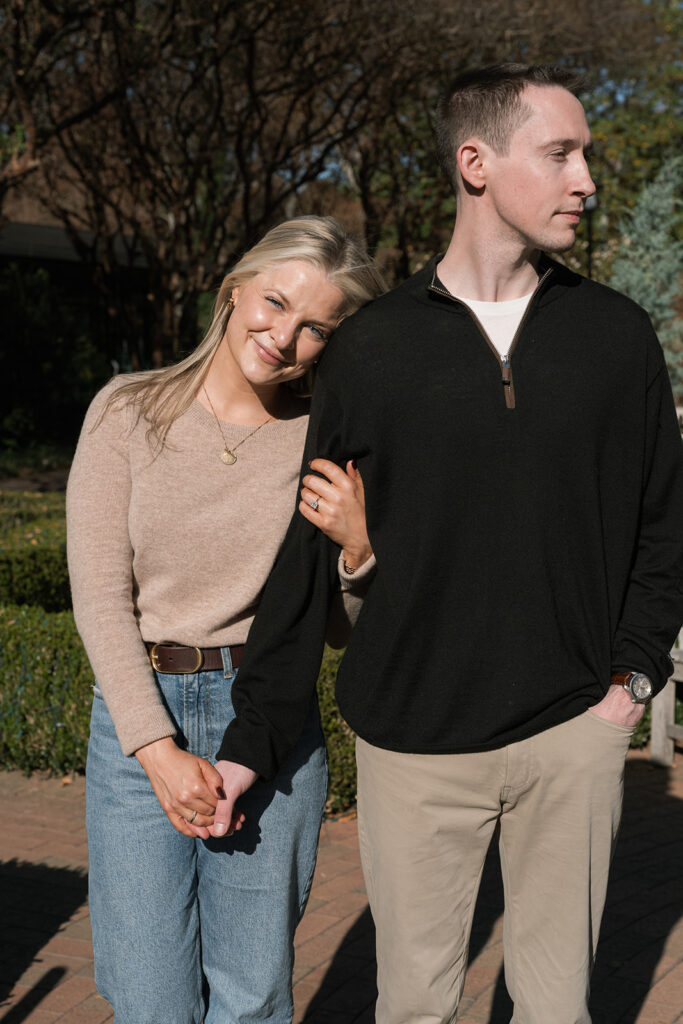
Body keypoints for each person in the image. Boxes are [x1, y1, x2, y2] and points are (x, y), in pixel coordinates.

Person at [209, 65, 683, 1023]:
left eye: (582, 153)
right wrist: (251, 740)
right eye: (560, 153)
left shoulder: (615, 336)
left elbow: (663, 523)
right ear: (476, 162)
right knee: (413, 1005)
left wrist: (627, 686)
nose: (585, 177)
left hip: (570, 739)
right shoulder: (372, 349)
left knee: (557, 1010)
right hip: (411, 747)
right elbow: (309, 551)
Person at [66, 216, 385, 1024]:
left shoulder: (325, 439)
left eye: (315, 327)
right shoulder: (127, 412)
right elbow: (101, 597)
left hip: (268, 720)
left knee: (250, 999)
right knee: (147, 998)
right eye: (275, 303)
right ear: (235, 288)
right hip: (145, 718)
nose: (284, 337)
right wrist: (158, 749)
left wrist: (357, 550)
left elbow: (337, 628)